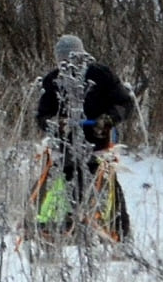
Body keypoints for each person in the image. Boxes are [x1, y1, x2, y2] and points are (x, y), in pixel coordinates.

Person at [32, 34, 134, 235]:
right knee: (60, 177)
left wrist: (108, 119)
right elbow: (42, 114)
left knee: (106, 180)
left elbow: (125, 103)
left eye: (73, 57)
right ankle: (49, 222)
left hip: (100, 140)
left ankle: (119, 231)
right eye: (63, 59)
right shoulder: (52, 80)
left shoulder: (102, 75)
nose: (69, 63)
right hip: (66, 143)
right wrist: (54, 124)